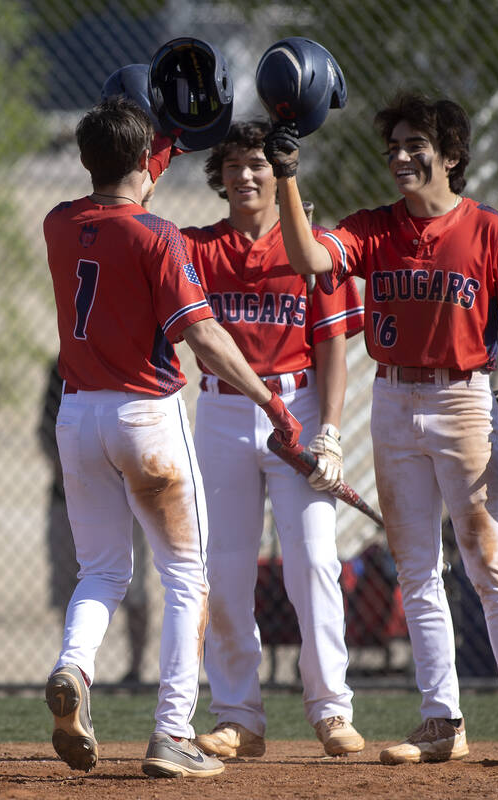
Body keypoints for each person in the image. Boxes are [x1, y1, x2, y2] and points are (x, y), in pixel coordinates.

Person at [264, 90, 498, 766]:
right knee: (417, 569)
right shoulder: (375, 228)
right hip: (395, 400)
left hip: (464, 399)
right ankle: (442, 720)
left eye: (414, 145)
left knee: (489, 562)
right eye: (392, 146)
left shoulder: (491, 231)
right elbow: (312, 259)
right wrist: (287, 176)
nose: (399, 156)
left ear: (451, 156)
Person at [40, 97, 303, 780]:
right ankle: (172, 733)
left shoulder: (58, 222)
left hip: (76, 416)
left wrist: (157, 142)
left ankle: (74, 667)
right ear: (144, 163)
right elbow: (205, 336)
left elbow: (119, 174)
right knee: (187, 575)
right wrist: (269, 397)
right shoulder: (160, 235)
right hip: (145, 416)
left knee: (100, 571)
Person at [164, 120, 367, 759]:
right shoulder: (196, 248)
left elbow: (332, 347)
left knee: (313, 561)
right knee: (224, 568)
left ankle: (332, 709)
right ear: (218, 179)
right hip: (222, 412)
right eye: (233, 165)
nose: (246, 175)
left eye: (258, 163)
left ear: (278, 173)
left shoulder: (310, 247)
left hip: (299, 404)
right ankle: (238, 716)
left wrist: (331, 433)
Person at [39, 359, 147, 684]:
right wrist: (75, 478)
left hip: (129, 498)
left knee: (135, 587)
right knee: (69, 587)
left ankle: (135, 671)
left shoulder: (133, 362)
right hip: (68, 498)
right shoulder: (63, 368)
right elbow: (46, 431)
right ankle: (73, 668)